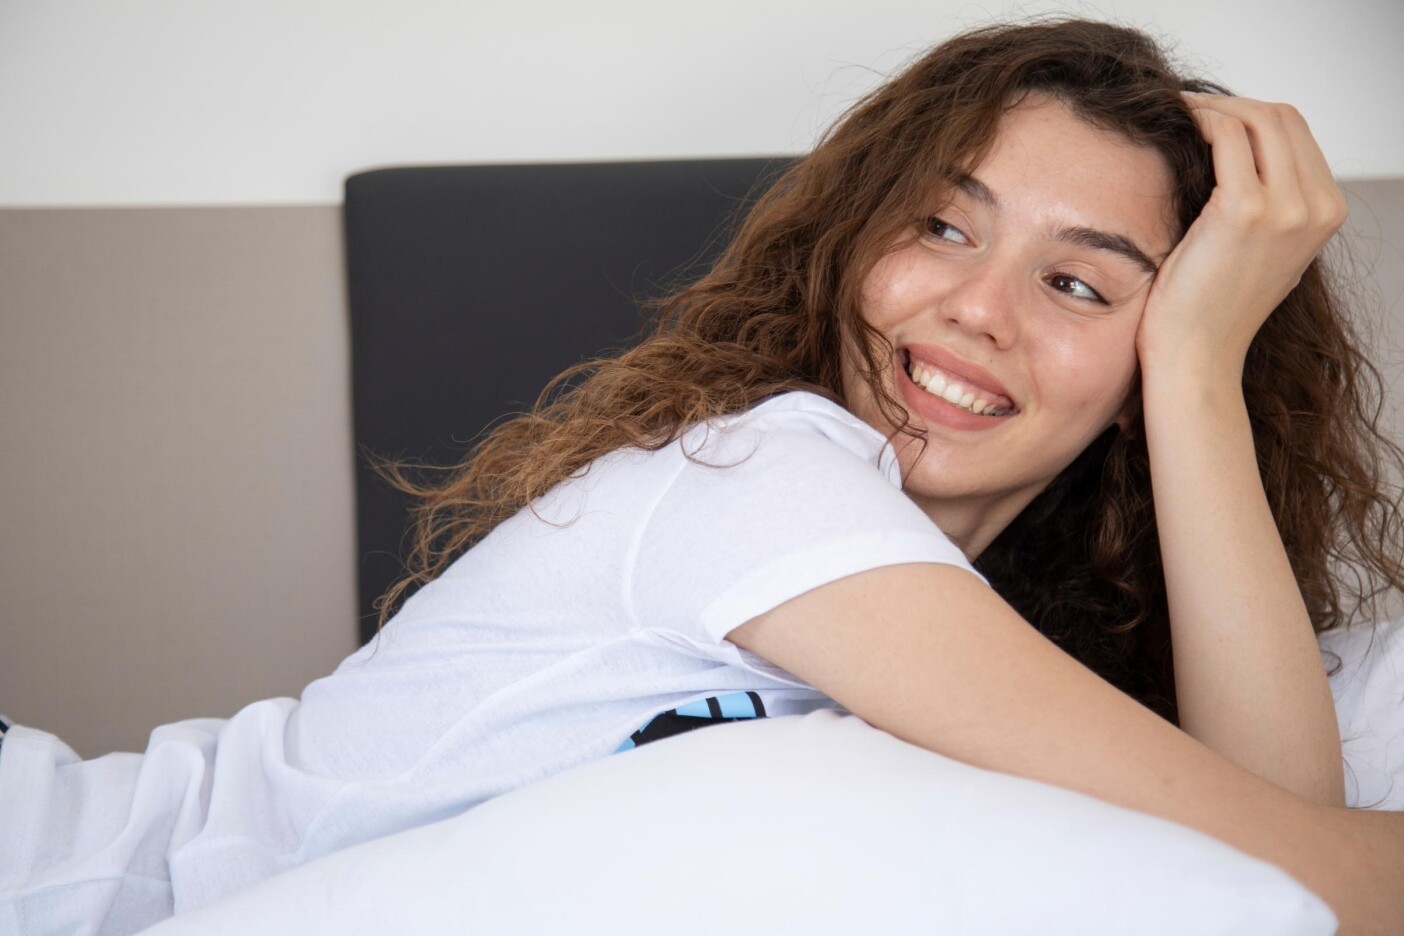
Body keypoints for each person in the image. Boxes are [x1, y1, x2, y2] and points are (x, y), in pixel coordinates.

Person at [4, 16, 1404, 935]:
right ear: (852, 239)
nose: (977, 309)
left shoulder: (984, 625)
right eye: (940, 226)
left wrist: (1197, 371)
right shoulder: (758, 480)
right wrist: (1186, 359)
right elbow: (1308, 878)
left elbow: (1268, 868)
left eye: (1080, 284)